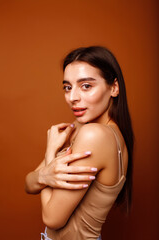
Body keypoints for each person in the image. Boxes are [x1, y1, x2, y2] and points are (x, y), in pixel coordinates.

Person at [25, 46, 134, 240]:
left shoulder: (94, 136)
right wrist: (45, 175)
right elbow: (29, 184)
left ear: (114, 88)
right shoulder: (87, 129)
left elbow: (52, 218)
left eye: (86, 86)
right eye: (68, 87)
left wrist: (50, 153)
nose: (72, 98)